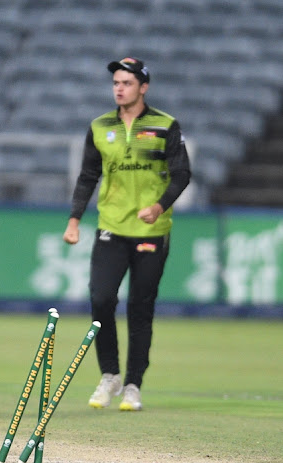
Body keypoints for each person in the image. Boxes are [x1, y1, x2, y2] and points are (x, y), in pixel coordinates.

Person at [63, 57, 190, 412]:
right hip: (112, 228)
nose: (119, 88)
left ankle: (133, 384)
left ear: (143, 87)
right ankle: (110, 375)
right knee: (101, 299)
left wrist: (159, 206)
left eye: (127, 83)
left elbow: (181, 174)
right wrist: (74, 219)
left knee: (140, 308)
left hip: (151, 229)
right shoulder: (100, 126)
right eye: (116, 82)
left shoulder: (165, 126)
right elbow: (88, 176)